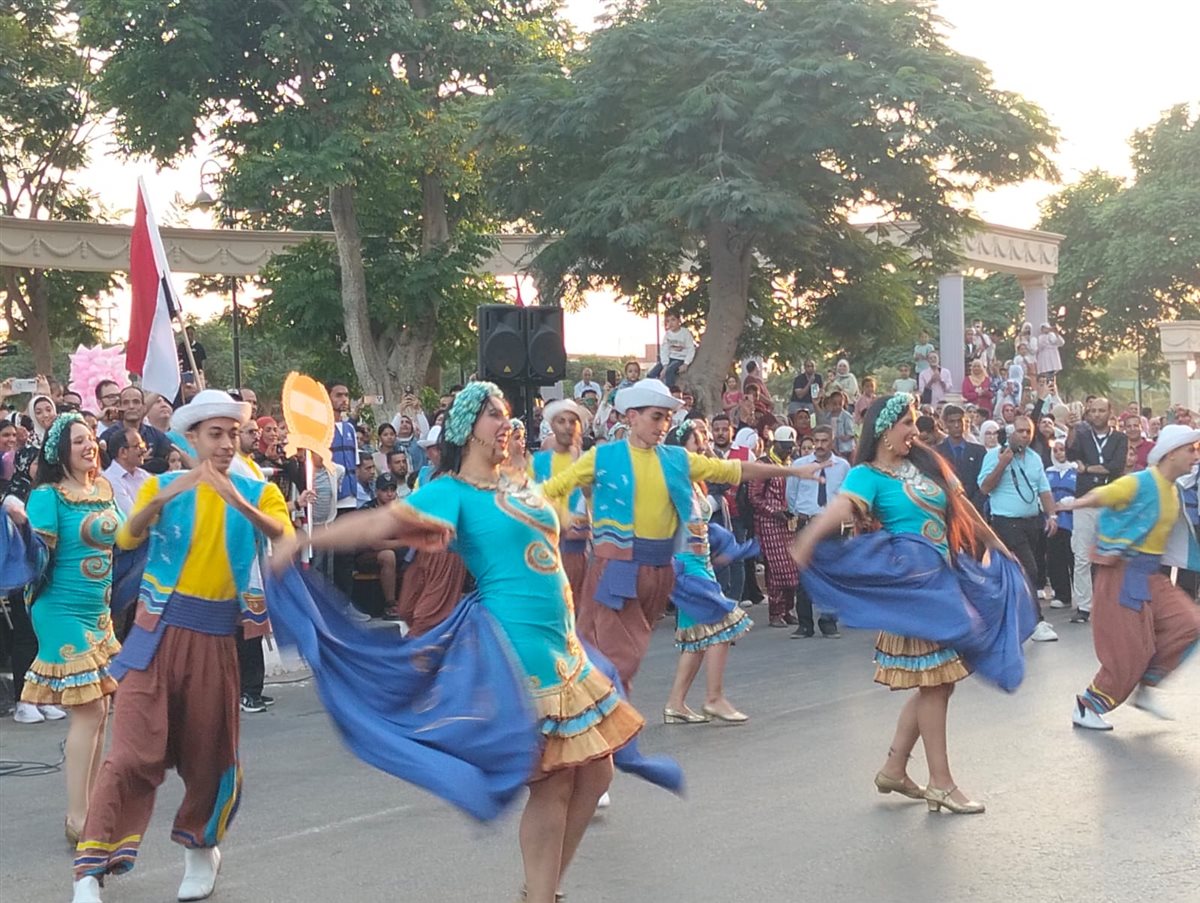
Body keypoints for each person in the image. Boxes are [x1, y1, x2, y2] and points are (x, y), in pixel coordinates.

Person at [285, 382, 643, 903]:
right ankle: (542, 896)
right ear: (467, 426)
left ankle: (539, 891)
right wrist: (306, 539)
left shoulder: (517, 481)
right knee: (556, 780)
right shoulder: (450, 491)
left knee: (595, 773)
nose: (507, 425)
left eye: (509, 416)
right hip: (521, 646)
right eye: (495, 416)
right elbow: (380, 521)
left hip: (562, 641)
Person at [71, 390, 293, 903]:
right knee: (128, 753)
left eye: (232, 434)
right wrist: (169, 493)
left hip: (215, 640)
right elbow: (126, 539)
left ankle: (200, 850)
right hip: (153, 636)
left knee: (207, 756)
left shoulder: (259, 492)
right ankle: (89, 868)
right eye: (214, 434)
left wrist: (238, 498)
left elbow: (282, 535)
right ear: (191, 438)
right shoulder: (162, 484)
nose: (225, 443)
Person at [793, 394, 1033, 816]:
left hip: (940, 583)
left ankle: (894, 768)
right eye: (907, 423)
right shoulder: (868, 475)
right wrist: (809, 540)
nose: (914, 431)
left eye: (916, 422)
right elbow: (841, 507)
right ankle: (940, 783)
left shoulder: (925, 463)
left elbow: (964, 509)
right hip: (912, 589)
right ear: (884, 430)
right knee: (936, 683)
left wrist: (996, 544)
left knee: (937, 682)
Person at [541, 379, 827, 694]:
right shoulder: (601, 458)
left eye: (667, 417)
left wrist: (792, 472)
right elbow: (551, 490)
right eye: (656, 416)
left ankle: (598, 713)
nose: (663, 424)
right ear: (631, 417)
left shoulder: (676, 459)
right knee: (615, 660)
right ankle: (594, 720)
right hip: (615, 571)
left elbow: (734, 470)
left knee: (627, 659)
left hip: (660, 573)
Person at [11, 414, 121, 843]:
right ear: (61, 450)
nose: (88, 445)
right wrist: (21, 522)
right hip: (58, 608)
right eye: (78, 441)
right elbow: (34, 557)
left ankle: (90, 807)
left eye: (91, 438)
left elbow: (126, 538)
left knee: (103, 707)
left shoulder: (104, 489)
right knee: (90, 708)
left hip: (99, 611)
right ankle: (78, 819)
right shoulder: (47, 496)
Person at [1060, 425, 1200, 730]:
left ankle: (1146, 687)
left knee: (1189, 624)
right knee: (1129, 651)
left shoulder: (1175, 488)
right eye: (1192, 449)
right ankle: (1087, 706)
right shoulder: (1142, 482)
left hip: (1151, 574)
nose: (1196, 455)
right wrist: (1075, 503)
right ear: (1173, 451)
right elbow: (1106, 494)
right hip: (1122, 574)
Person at [662, 420, 754, 723]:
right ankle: (714, 697)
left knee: (698, 638)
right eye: (697, 436)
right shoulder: (674, 479)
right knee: (722, 624)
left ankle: (676, 703)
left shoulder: (691, 481)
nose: (704, 440)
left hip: (699, 562)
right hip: (688, 564)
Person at [978, 414, 1060, 642]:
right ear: (1011, 432)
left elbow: (1044, 489)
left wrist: (1051, 514)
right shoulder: (994, 455)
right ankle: (1036, 621)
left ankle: (1009, 618)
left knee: (1020, 572)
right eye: (1020, 431)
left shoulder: (1034, 458)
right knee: (1029, 570)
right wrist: (1003, 463)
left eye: (1028, 431)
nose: (1024, 435)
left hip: (1031, 522)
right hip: (1006, 522)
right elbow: (985, 487)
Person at [1066, 397, 1128, 624]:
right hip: (1085, 501)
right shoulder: (1082, 435)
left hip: (1111, 501)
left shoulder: (1120, 438)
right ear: (1088, 414)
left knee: (1112, 554)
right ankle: (1084, 605)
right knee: (1082, 556)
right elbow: (1071, 454)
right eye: (1093, 411)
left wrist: (1088, 468)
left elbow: (1115, 466)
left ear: (1110, 411)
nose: (1097, 415)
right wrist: (1071, 428)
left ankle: (1112, 602)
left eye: (1102, 410)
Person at [787, 425, 850, 638]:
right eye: (818, 441)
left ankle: (828, 622)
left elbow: (846, 496)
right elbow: (791, 495)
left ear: (832, 441)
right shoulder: (800, 465)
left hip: (831, 525)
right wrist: (802, 514)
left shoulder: (842, 466)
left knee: (831, 573)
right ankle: (805, 624)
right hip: (807, 522)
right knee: (804, 573)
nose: (820, 445)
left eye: (825, 441)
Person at [531, 400, 592, 603]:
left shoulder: (589, 462)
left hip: (577, 550)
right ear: (553, 425)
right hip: (544, 549)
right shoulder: (537, 462)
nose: (567, 426)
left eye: (573, 421)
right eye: (561, 421)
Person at [749, 426, 802, 628]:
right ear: (774, 444)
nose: (788, 451)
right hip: (769, 522)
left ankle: (787, 609)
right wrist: (775, 511)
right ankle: (776, 612)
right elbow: (754, 497)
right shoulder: (763, 465)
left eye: (790, 447)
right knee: (778, 569)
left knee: (792, 568)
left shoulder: (790, 464)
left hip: (789, 522)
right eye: (784, 447)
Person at [1045, 440, 1077, 609]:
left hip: (1072, 521)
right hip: (1052, 521)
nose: (1059, 453)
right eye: (1055, 450)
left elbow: (1081, 493)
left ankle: (1079, 594)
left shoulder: (1076, 470)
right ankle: (1061, 594)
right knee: (1055, 559)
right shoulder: (1048, 472)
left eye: (1062, 449)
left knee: (1073, 558)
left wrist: (1066, 503)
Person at [102, 428, 151, 516]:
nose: (144, 450)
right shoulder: (109, 480)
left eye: (143, 445)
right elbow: (132, 516)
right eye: (138, 446)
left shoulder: (144, 475)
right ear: (123, 452)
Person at [647, 312, 695, 388]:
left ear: (679, 320)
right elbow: (664, 350)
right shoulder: (667, 335)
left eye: (673, 320)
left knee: (669, 371)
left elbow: (691, 349)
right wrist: (665, 365)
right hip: (669, 358)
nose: (670, 323)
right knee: (651, 374)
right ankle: (650, 389)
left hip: (680, 359)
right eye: (668, 321)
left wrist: (686, 363)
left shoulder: (685, 333)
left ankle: (671, 390)